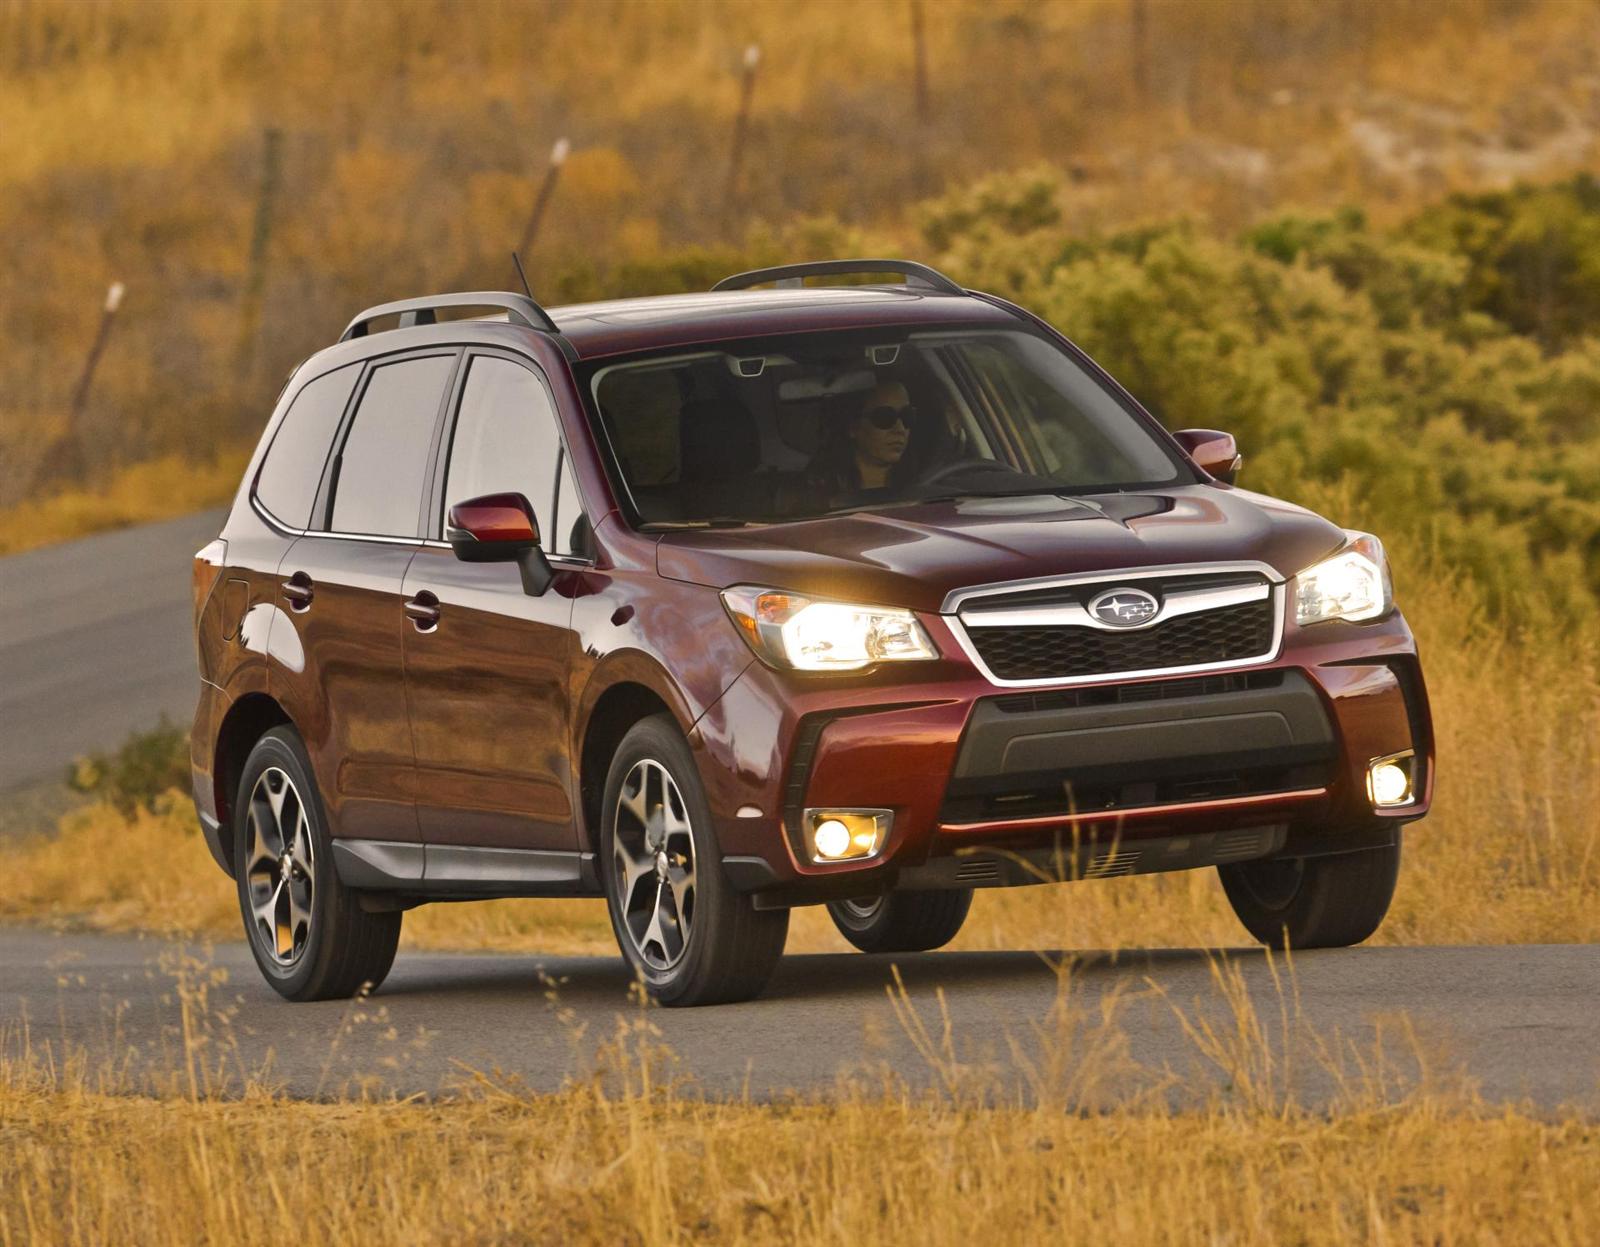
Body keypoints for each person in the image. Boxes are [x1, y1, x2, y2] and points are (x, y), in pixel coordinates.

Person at [808, 380, 916, 500]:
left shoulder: (922, 492)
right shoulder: (811, 496)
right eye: (884, 417)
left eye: (907, 416)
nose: (900, 429)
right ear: (853, 427)